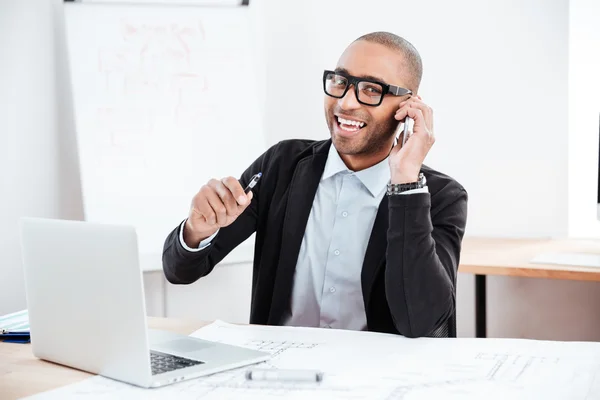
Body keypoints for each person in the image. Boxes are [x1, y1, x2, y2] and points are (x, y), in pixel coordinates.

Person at [162, 31, 468, 338]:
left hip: (376, 378)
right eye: (340, 81)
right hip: (278, 371)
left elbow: (422, 322)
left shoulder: (441, 197)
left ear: (409, 106)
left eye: (371, 89)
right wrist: (197, 231)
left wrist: (405, 185)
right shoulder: (282, 166)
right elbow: (180, 270)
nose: (346, 102)